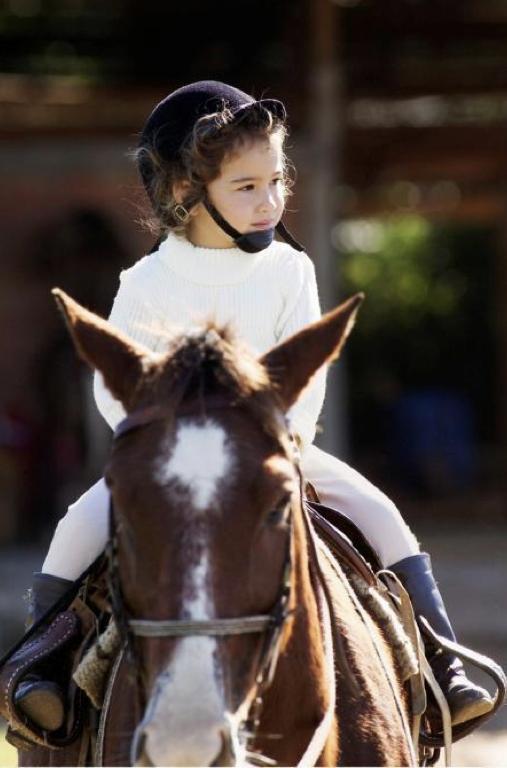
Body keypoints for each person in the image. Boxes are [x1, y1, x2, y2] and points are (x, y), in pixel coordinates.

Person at [14, 81, 492, 733]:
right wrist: (154, 441)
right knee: (78, 525)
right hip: (171, 456)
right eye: (246, 187)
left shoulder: (289, 270)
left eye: (276, 180)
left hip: (276, 446)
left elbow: (308, 369)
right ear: (185, 192)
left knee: (381, 516)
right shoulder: (145, 282)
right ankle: (37, 668)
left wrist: (276, 442)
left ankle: (442, 664)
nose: (269, 200)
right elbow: (112, 382)